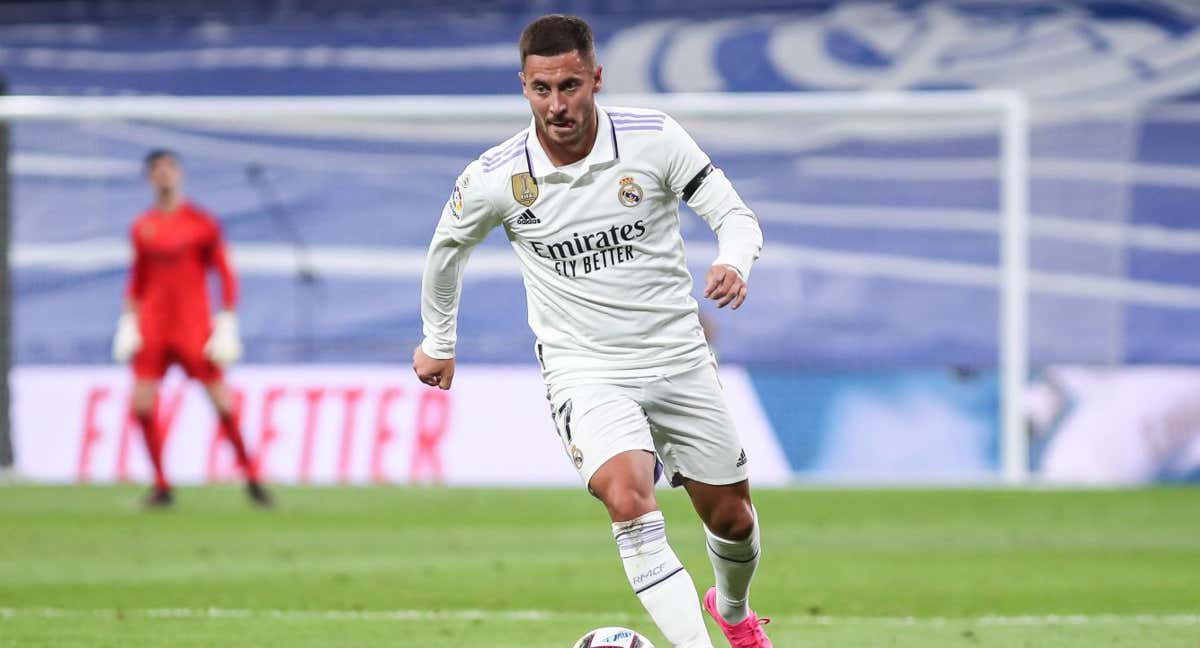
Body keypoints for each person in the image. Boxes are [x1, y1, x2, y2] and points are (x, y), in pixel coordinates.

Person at [413, 15, 770, 648]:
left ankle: (735, 614)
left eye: (570, 86)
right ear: (524, 87)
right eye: (542, 89)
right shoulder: (498, 176)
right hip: (586, 369)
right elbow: (446, 251)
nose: (558, 105)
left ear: (596, 79)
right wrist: (438, 339)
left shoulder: (654, 139)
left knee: (733, 520)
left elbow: (734, 216)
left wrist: (732, 261)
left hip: (678, 358)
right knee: (630, 502)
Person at [111, 149, 272, 509]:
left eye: (169, 168)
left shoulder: (202, 223)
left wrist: (227, 319)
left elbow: (224, 271)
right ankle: (161, 485)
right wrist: (128, 319)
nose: (164, 175)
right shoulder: (143, 226)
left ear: (179, 174)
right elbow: (137, 278)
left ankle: (252, 479)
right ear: (149, 177)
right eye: (157, 169)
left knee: (222, 404)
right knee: (141, 404)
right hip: (153, 326)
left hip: (192, 328)